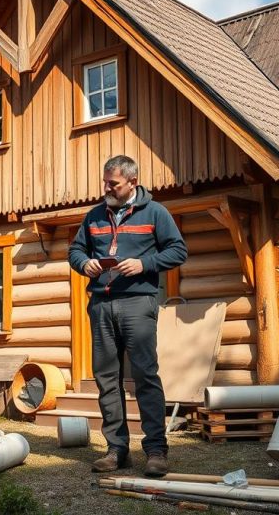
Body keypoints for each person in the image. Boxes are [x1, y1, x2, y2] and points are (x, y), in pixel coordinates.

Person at [68, 155, 188, 477]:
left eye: (113, 183)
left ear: (132, 182)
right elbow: (75, 251)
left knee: (146, 376)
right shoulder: (94, 215)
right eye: (106, 181)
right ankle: (117, 450)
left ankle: (156, 451)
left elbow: (178, 250)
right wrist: (85, 264)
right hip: (101, 305)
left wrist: (144, 265)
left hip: (138, 304)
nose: (106, 187)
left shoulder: (155, 212)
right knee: (107, 379)